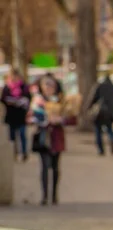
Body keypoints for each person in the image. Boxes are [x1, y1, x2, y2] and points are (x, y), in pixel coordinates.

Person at [30, 77, 66, 205]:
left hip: (56, 135)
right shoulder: (38, 100)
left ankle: (54, 195)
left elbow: (69, 118)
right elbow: (32, 117)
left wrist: (61, 120)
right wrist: (46, 120)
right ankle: (44, 195)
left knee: (55, 167)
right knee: (44, 166)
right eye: (46, 85)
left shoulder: (60, 100)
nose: (48, 88)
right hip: (43, 136)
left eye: (51, 86)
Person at [1, 68, 31, 161]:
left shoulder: (24, 87)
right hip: (11, 115)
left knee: (22, 135)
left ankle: (24, 153)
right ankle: (13, 153)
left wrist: (22, 102)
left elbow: (28, 98)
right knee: (12, 136)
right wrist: (9, 102)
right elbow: (3, 98)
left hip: (21, 115)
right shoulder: (8, 87)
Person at [89, 74, 113, 155]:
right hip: (110, 113)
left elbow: (93, 98)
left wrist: (89, 107)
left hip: (100, 113)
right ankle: (112, 142)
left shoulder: (99, 86)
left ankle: (101, 149)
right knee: (110, 129)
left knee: (98, 131)